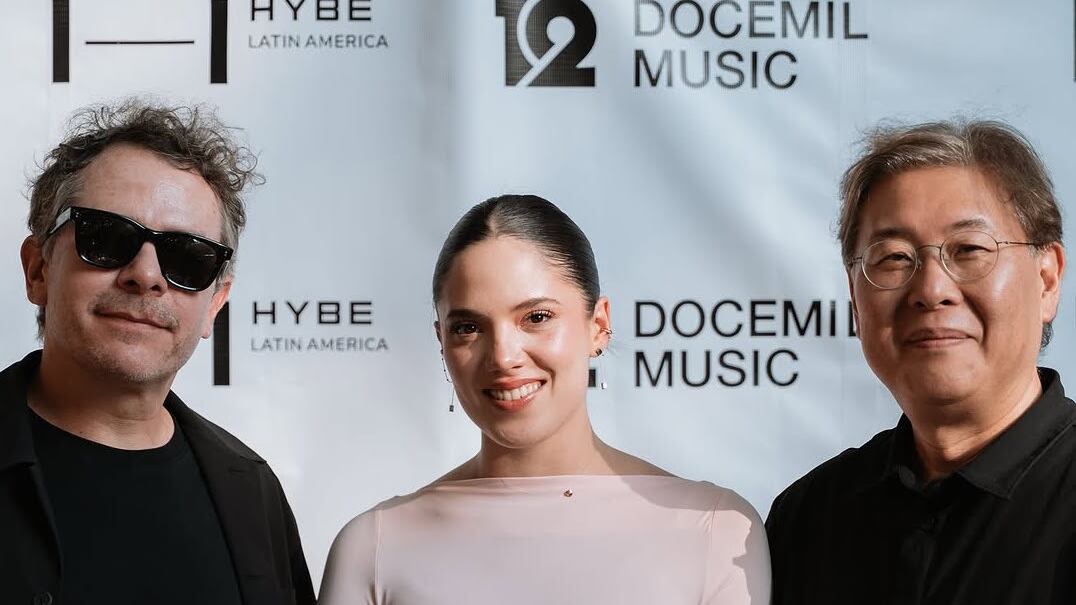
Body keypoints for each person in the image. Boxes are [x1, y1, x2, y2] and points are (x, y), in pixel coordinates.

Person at [319, 194, 770, 604]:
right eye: (468, 327)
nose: (503, 356)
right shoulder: (373, 546)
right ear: (441, 340)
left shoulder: (715, 530)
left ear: (598, 326)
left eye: (536, 317)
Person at [0, 100, 315, 604]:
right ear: (38, 269)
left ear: (215, 303)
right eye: (107, 238)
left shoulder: (252, 495)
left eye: (187, 258)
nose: (145, 275)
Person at [766, 120, 1074, 603]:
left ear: (1048, 278)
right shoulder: (809, 517)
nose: (931, 290)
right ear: (853, 296)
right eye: (893, 258)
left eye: (969, 250)